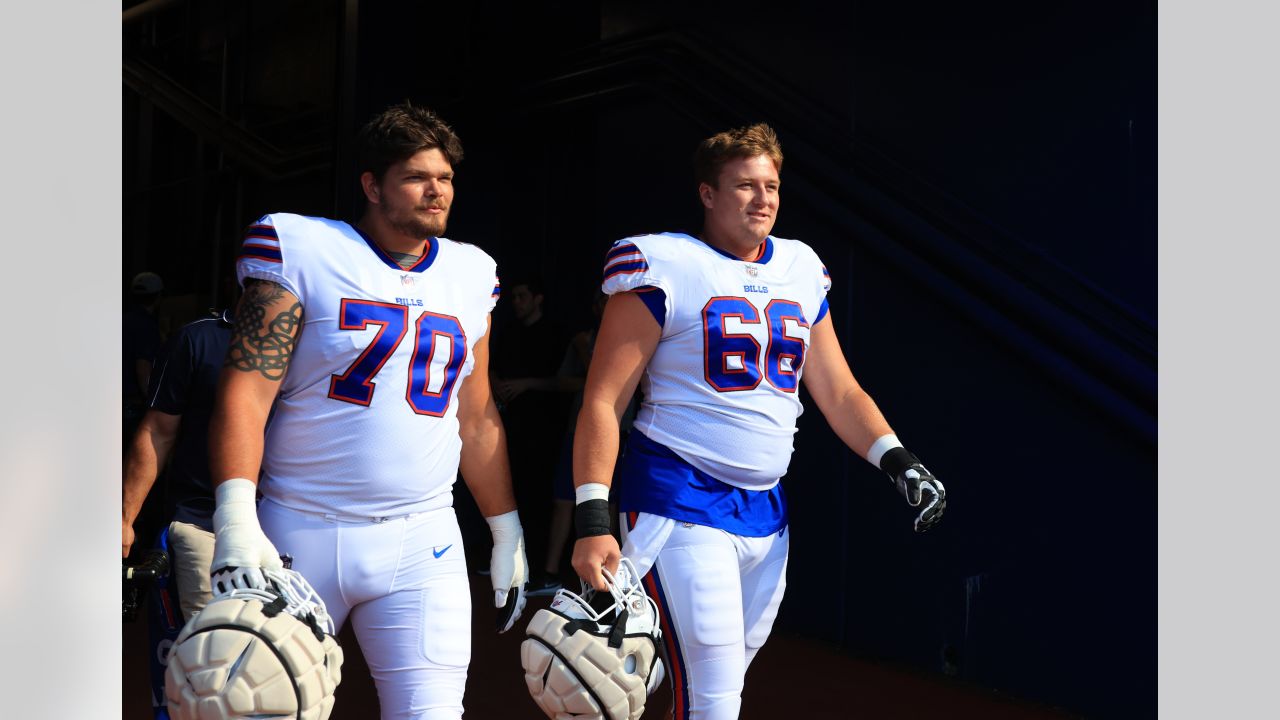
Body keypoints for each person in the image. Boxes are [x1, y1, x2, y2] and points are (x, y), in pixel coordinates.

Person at [570, 123, 947, 719]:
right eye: (745, 185)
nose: (763, 198)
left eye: (771, 185)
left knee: (709, 685)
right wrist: (592, 514)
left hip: (766, 510)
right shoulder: (665, 263)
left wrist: (897, 459)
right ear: (708, 194)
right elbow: (603, 399)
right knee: (715, 698)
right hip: (679, 496)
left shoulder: (800, 267)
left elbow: (838, 389)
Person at [207, 102, 528, 720]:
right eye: (416, 177)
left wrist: (505, 526)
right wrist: (235, 517)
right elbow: (244, 394)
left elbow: (478, 417)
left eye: (446, 178)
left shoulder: (469, 272)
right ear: (371, 185)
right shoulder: (302, 248)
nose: (436, 190)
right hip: (298, 527)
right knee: (262, 709)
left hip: (422, 536)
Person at [122, 306, 234, 621]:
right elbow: (158, 430)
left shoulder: (317, 340)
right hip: (203, 522)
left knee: (291, 654)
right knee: (213, 653)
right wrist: (124, 519)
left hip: (287, 522)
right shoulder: (198, 337)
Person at [489, 276, 573, 596]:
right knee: (511, 492)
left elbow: (567, 382)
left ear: (538, 298)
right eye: (514, 297)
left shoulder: (555, 333)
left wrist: (526, 384)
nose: (516, 302)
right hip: (508, 424)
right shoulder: (510, 330)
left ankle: (537, 568)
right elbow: (492, 366)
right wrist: (497, 382)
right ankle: (506, 562)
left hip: (544, 428)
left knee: (540, 497)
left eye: (523, 295)